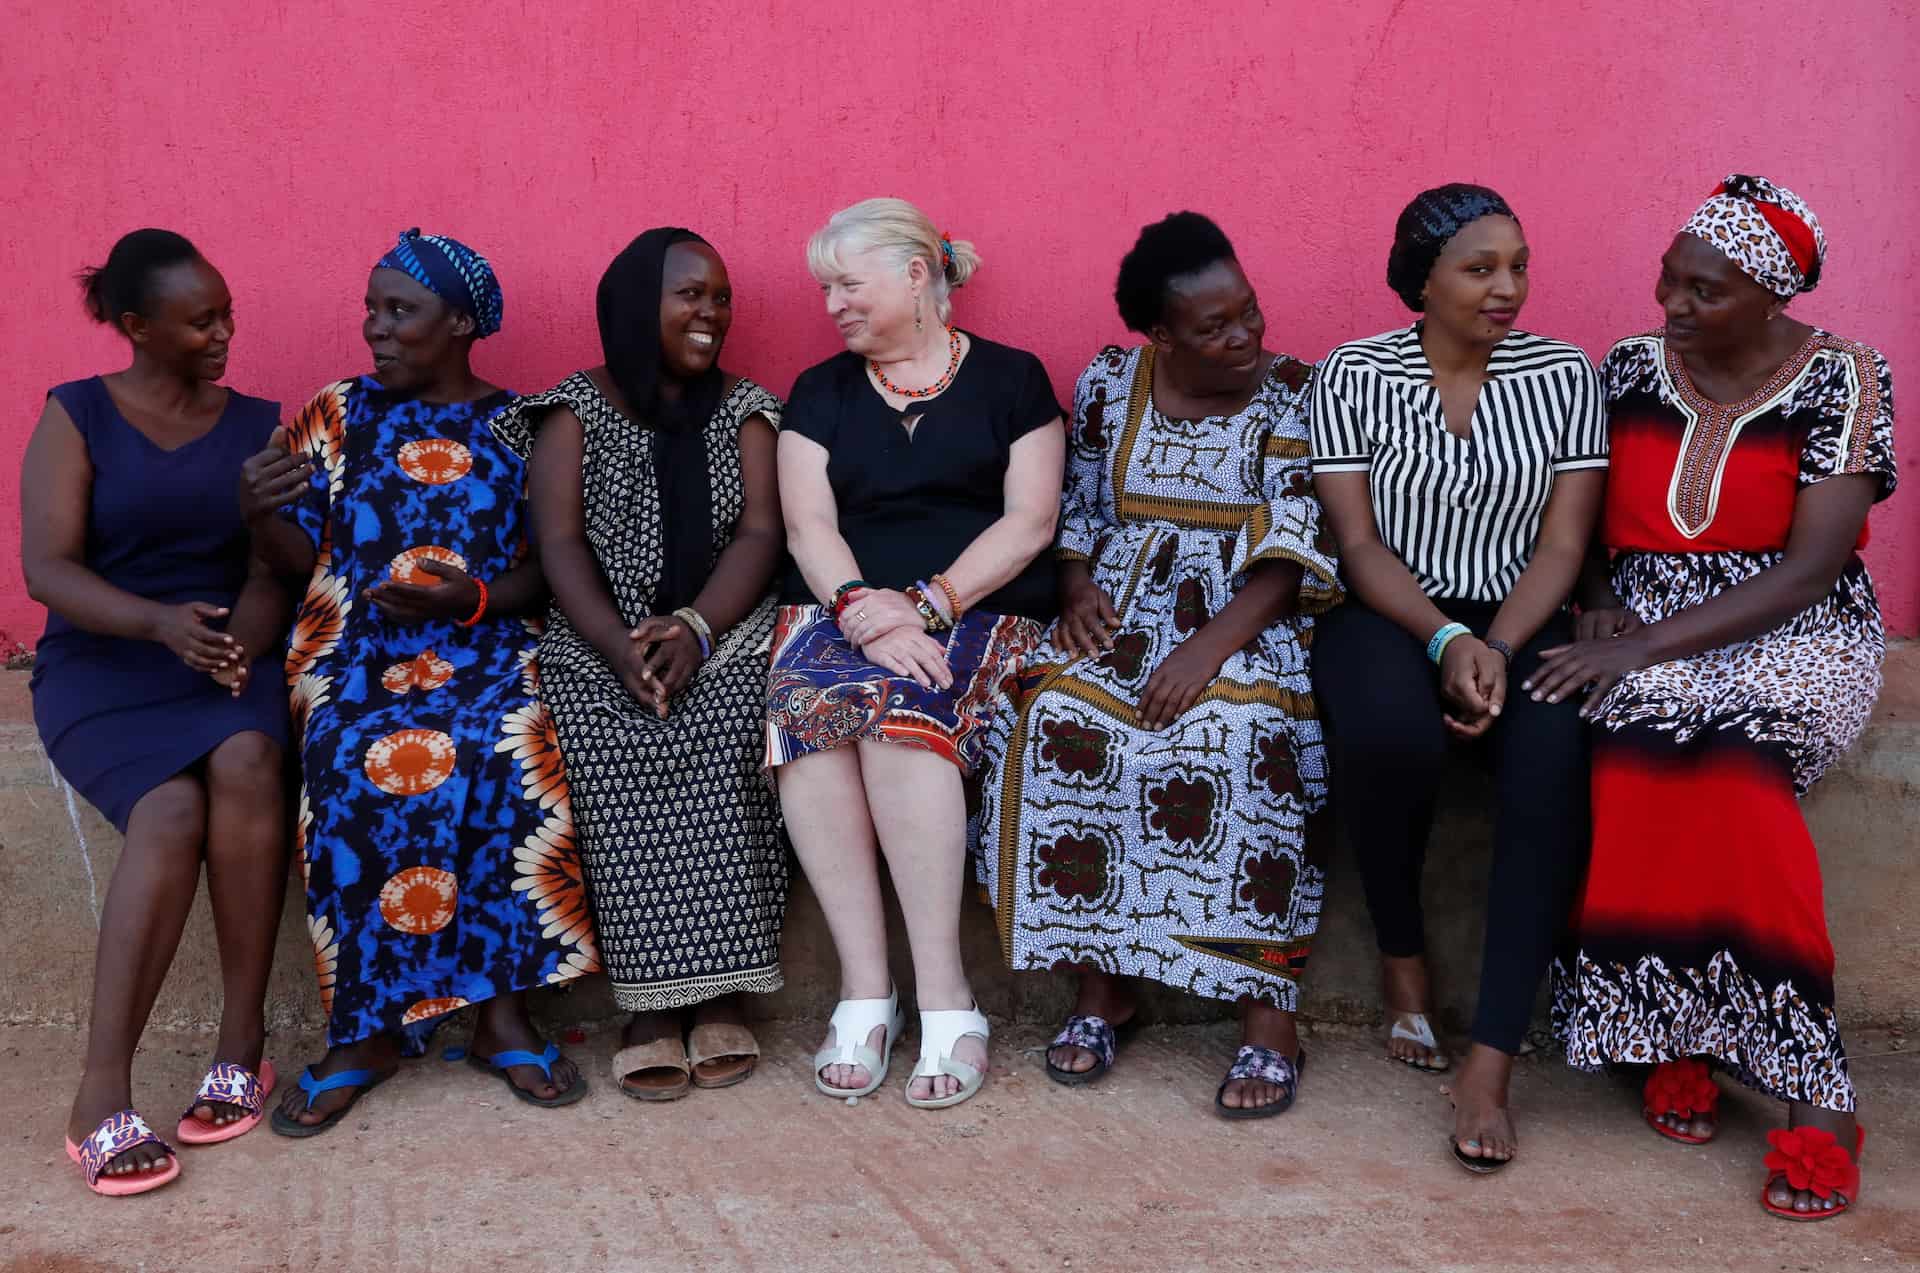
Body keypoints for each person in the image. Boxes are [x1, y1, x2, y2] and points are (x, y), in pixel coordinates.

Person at [1540, 176, 1892, 1221]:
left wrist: (1643, 644)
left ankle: (1811, 1087)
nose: (1673, 305)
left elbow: (1810, 568)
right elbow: (1586, 523)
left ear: (1770, 297)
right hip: (1646, 629)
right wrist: (1603, 610)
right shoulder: (1630, 370)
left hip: (1796, 635)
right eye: (1671, 277)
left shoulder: (1846, 377)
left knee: (1734, 763)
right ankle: (1672, 1032)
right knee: (1641, 747)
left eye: (1707, 290)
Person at [980, 212, 1340, 1117]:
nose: (1246, 335)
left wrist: (1207, 648)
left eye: (1249, 310)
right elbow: (1083, 505)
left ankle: (1267, 1016)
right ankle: (1103, 990)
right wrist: (1071, 583)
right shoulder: (1109, 382)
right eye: (1215, 327)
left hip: (1248, 617)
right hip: (1122, 605)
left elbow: (1297, 541)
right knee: (1054, 718)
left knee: (1240, 731)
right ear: (1162, 335)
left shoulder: (1295, 390)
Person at [238, 229, 596, 1136]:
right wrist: (257, 515)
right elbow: (292, 558)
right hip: (351, 646)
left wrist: (467, 597)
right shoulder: (335, 412)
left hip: (481, 641)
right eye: (372, 309)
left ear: (462, 324)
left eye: (400, 312)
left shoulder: (519, 425)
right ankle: (365, 1030)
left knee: (509, 742)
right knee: (349, 755)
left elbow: (540, 570)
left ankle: (501, 1015)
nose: (376, 329)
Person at [1309, 184, 1607, 1171]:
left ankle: (1490, 1058)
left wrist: (1501, 647)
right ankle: (1402, 956)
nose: (1507, 287)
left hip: (1521, 615)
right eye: (1481, 268)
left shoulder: (1563, 375)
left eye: (1518, 264)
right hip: (1393, 611)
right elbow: (1355, 543)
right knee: (1390, 733)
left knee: (1552, 764)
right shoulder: (1354, 374)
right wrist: (1445, 641)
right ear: (1422, 278)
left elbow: (1564, 542)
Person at [769, 197, 1064, 1108]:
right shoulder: (818, 391)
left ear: (915, 275)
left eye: (847, 284)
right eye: (826, 289)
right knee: (810, 714)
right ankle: (867, 995)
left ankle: (948, 1001)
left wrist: (929, 604)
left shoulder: (1014, 380)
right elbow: (807, 523)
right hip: (844, 608)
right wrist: (866, 610)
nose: (833, 305)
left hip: (976, 605)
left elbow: (1032, 521)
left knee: (901, 717)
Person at [23, 229, 290, 1195]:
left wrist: (239, 647)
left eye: (226, 311)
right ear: (138, 327)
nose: (224, 332)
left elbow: (272, 571)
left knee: (251, 759)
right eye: (200, 320)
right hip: (105, 666)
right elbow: (47, 568)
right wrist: (158, 626)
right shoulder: (78, 414)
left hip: (225, 657)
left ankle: (243, 1045)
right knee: (170, 810)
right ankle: (102, 1096)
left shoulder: (258, 423)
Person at [494, 228, 788, 1101]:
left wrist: (696, 630)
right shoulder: (571, 411)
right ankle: (649, 1007)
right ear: (634, 304)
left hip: (722, 628)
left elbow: (761, 534)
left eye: (721, 297)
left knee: (726, 723)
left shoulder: (748, 410)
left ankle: (724, 988)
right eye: (690, 294)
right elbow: (558, 541)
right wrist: (620, 645)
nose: (711, 313)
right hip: (598, 639)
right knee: (607, 739)